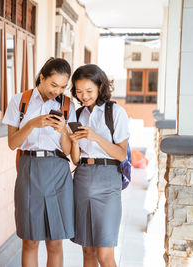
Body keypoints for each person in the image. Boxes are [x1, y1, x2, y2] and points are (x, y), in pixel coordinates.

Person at [2, 58, 76, 267]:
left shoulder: (67, 105)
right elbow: (12, 143)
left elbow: (69, 150)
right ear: (42, 77)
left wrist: (63, 131)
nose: (57, 91)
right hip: (29, 168)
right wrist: (32, 124)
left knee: (55, 242)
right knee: (30, 240)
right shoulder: (20, 101)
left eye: (62, 87)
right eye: (53, 85)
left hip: (58, 170)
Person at [69, 64, 129, 267]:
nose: (83, 96)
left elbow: (121, 154)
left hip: (108, 180)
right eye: (78, 92)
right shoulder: (77, 115)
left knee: (104, 253)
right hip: (83, 179)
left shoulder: (115, 112)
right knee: (87, 250)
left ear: (100, 87)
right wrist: (74, 141)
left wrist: (95, 137)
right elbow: (76, 160)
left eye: (88, 91)